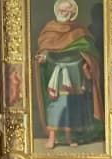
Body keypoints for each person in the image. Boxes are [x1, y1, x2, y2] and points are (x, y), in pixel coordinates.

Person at [35, 0, 103, 148]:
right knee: (54, 104)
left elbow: (89, 51)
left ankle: (71, 137)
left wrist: (88, 62)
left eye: (67, 11)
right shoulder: (49, 30)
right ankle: (52, 137)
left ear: (73, 13)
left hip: (75, 72)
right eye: (61, 10)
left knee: (73, 105)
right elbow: (45, 49)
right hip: (55, 71)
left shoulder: (79, 31)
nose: (63, 13)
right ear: (56, 10)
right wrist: (43, 57)